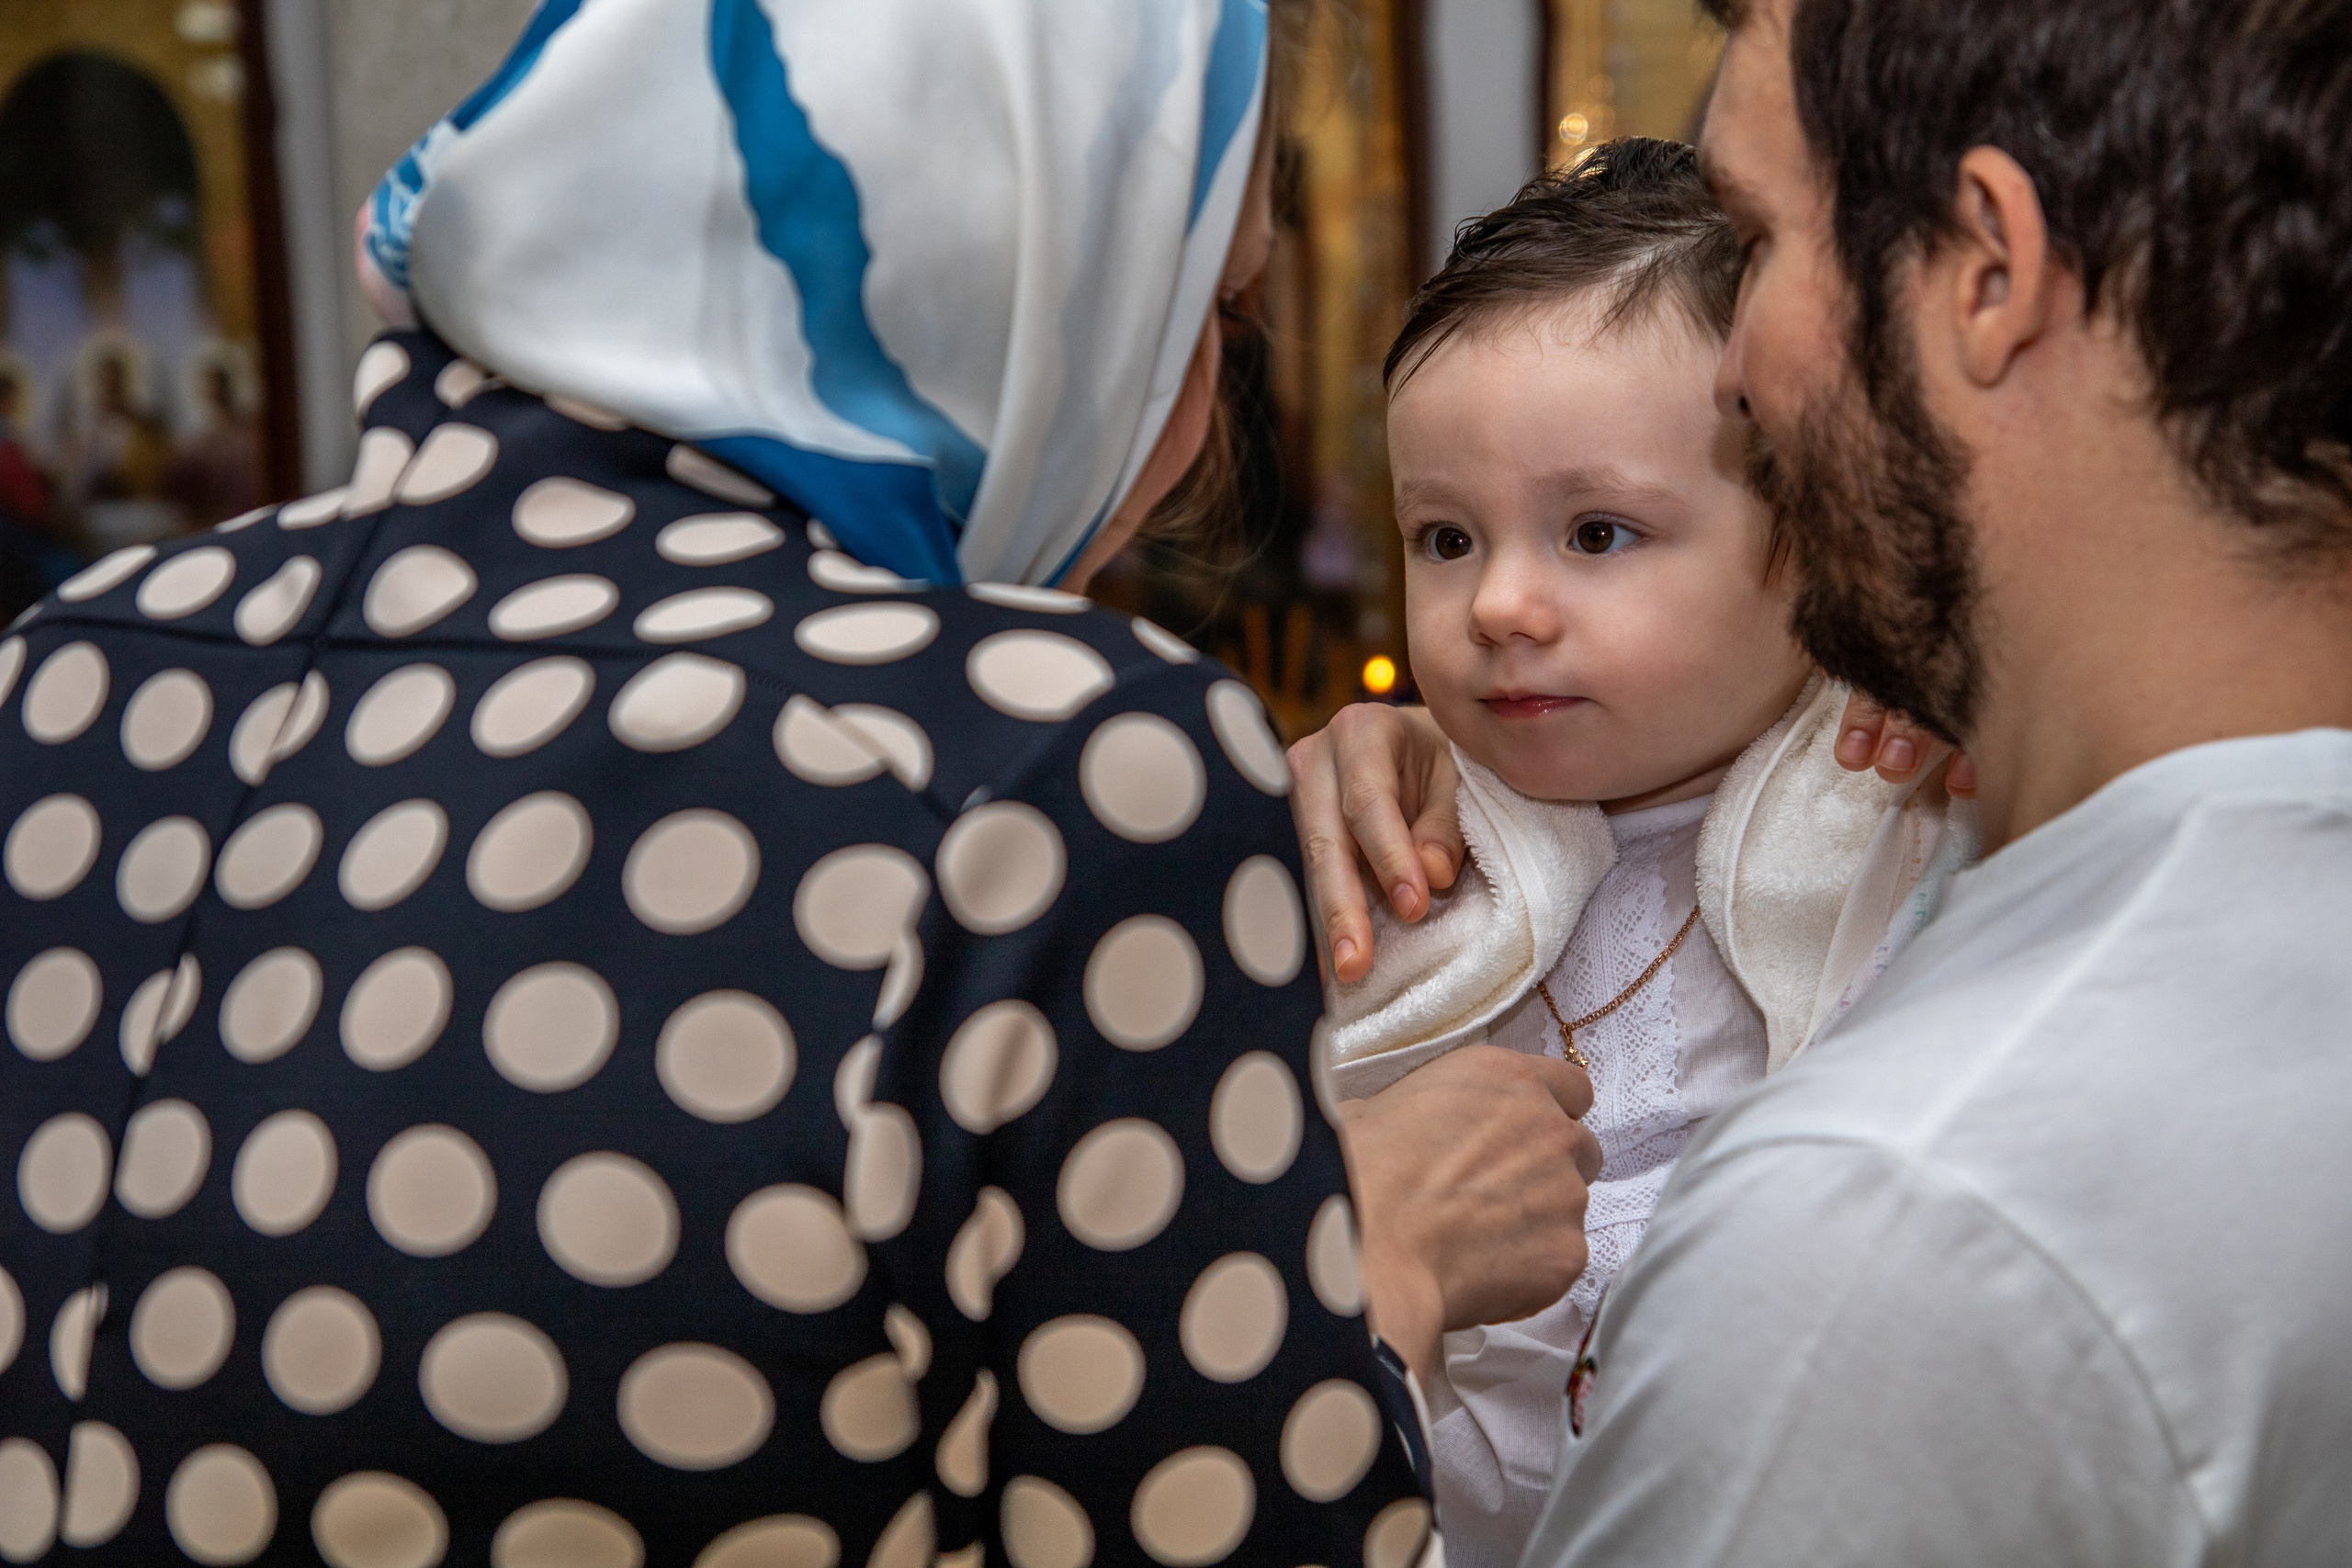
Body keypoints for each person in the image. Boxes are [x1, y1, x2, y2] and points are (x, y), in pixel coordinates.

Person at [0, 5, 1601, 1564]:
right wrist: (1375, 1266)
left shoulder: (69, 672)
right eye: (1211, 315)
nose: (1191, 429)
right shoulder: (1037, 771)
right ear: (1027, 287)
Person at [1302, 0, 2352, 1561]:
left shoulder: (1876, 1223)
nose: (1734, 374)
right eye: (1444, 538)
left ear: (1986, 270)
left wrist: (1361, 1299)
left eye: (1757, 238)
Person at [1324, 140, 1973, 1568]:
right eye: (1443, 536)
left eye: (1597, 532)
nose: (1498, 602)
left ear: (1813, 535)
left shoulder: (1901, 808)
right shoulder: (1398, 843)